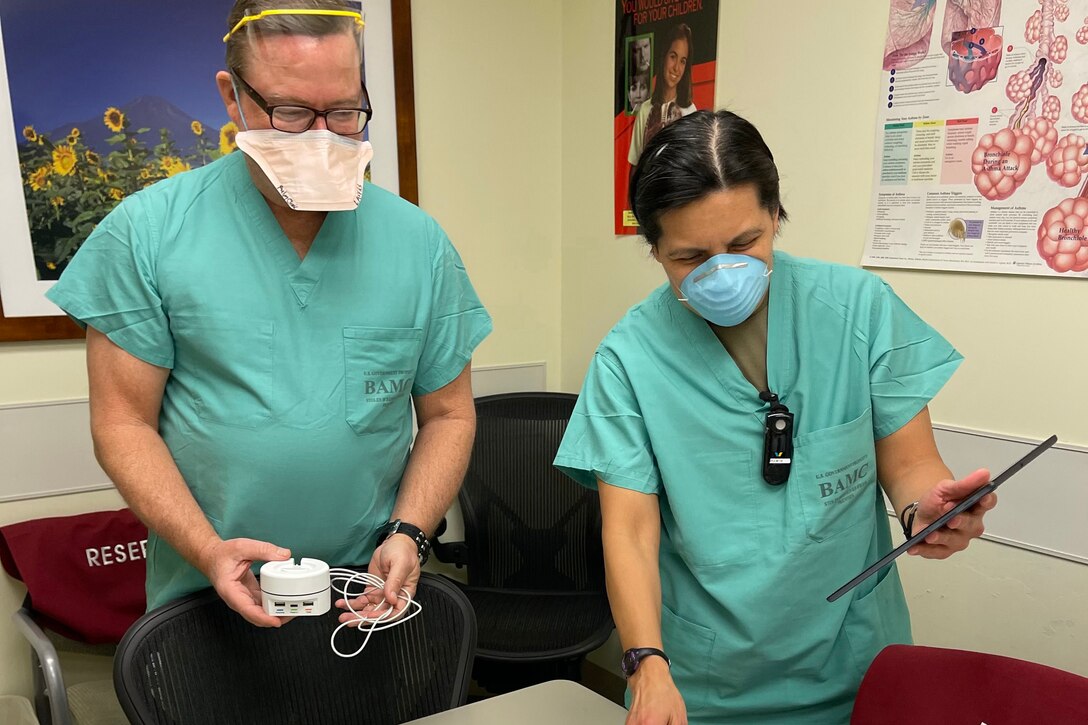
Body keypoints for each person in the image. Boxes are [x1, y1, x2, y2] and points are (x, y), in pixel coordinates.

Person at [45, 1, 491, 630]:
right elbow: (123, 425)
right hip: (204, 596)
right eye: (289, 113)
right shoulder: (147, 234)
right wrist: (208, 552)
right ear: (233, 98)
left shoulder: (418, 245)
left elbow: (449, 415)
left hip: (367, 596)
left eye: (343, 113)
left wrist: (410, 533)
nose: (320, 136)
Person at [555, 110, 996, 724]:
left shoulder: (858, 313)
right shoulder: (628, 360)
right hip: (700, 686)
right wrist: (646, 662)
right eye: (688, 257)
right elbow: (628, 531)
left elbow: (912, 465)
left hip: (856, 665)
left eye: (744, 244)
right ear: (652, 249)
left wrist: (929, 511)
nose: (723, 272)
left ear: (776, 217)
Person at [627, 24, 696, 167]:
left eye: (682, 61)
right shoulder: (645, 110)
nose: (676, 68)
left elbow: (693, 170)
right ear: (663, 56)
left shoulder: (691, 113)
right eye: (673, 56)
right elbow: (635, 165)